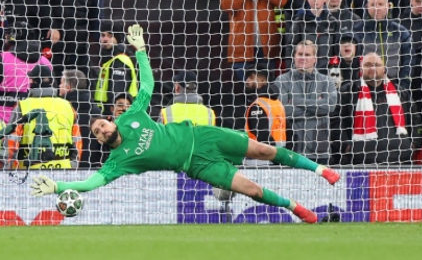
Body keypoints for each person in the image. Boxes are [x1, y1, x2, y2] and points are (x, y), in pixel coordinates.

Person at [28, 25, 340, 224]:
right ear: (99, 140)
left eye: (101, 125)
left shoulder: (129, 117)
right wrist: (59, 186)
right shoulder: (118, 162)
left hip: (203, 136)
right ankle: (296, 208)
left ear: (110, 121)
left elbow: (147, 86)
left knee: (264, 150)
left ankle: (320, 170)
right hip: (196, 165)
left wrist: (141, 51)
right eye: (96, 132)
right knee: (252, 189)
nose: (101, 130)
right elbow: (90, 184)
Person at [220, 0, 288, 82]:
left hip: (267, 47)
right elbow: (226, 4)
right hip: (241, 48)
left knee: (267, 87)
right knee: (244, 88)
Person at [339, 52, 414, 165]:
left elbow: (415, 119)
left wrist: (412, 143)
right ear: (361, 68)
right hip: (361, 160)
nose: (373, 68)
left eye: (377, 65)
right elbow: (338, 122)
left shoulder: (401, 92)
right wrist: (347, 145)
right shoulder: (348, 91)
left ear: (384, 69)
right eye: (368, 64)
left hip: (400, 159)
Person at [0, 64, 79, 169]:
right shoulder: (67, 106)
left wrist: (8, 170)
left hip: (29, 170)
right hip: (63, 169)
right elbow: (77, 142)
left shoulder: (22, 106)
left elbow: (11, 142)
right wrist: (74, 167)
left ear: (32, 81)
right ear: (51, 82)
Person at [275, 40, 338, 165]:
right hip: (291, 151)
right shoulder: (282, 80)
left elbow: (330, 106)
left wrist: (296, 101)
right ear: (294, 56)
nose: (303, 58)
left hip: (320, 151)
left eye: (307, 55)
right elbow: (281, 111)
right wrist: (317, 105)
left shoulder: (327, 81)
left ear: (315, 58)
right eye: (300, 54)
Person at [59, 69, 102, 169]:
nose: (59, 86)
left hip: (67, 167)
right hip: (91, 167)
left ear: (68, 88)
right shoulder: (96, 110)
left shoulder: (63, 110)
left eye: (61, 83)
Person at [93, 21, 138, 117]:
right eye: (102, 35)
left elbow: (117, 93)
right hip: (106, 114)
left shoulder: (120, 60)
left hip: (113, 116)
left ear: (117, 39)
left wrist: (112, 116)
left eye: (110, 36)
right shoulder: (109, 61)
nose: (105, 39)